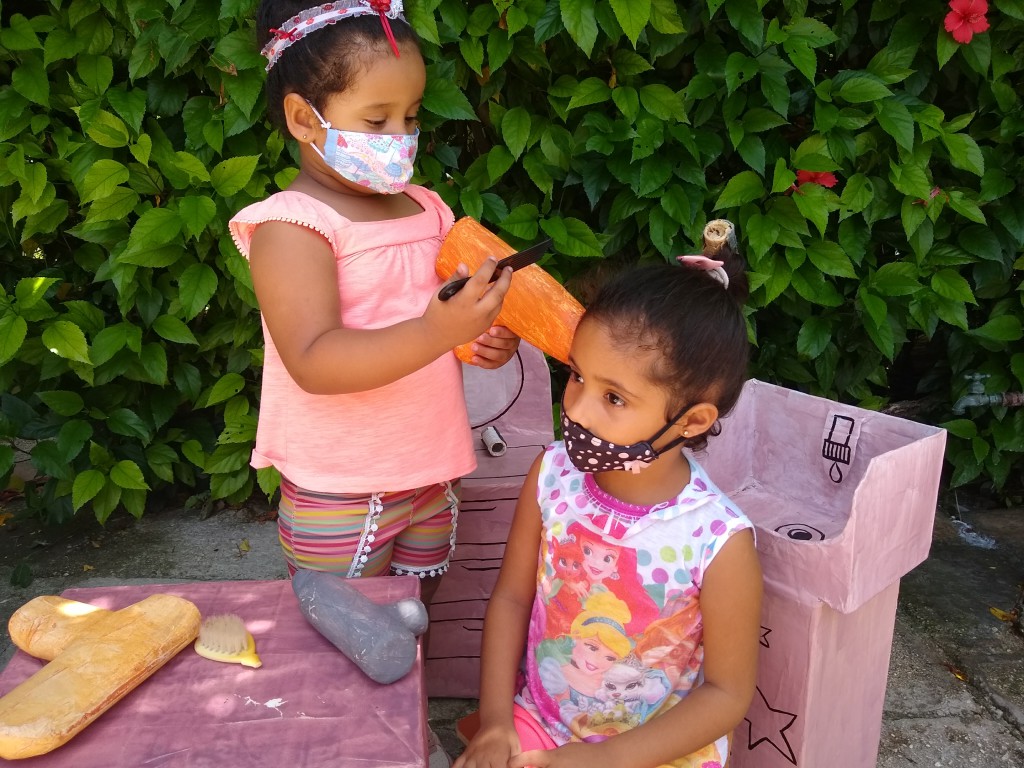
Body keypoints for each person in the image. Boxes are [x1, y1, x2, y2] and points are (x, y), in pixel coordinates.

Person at [228, 3, 519, 765]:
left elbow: (434, 326)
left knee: (407, 619)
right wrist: (436, 333)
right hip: (339, 484)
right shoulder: (292, 227)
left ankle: (396, 732)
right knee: (336, 630)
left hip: (428, 469)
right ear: (303, 115)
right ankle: (338, 743)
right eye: (378, 119)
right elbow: (316, 360)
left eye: (412, 117)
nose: (402, 140)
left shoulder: (427, 209)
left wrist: (479, 341)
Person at [454, 257, 763, 768]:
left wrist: (601, 761)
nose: (575, 409)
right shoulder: (552, 475)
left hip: (656, 752)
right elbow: (511, 598)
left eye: (614, 397)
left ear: (692, 421)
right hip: (542, 720)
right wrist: (495, 724)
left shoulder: (718, 540)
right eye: (576, 376)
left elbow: (727, 694)